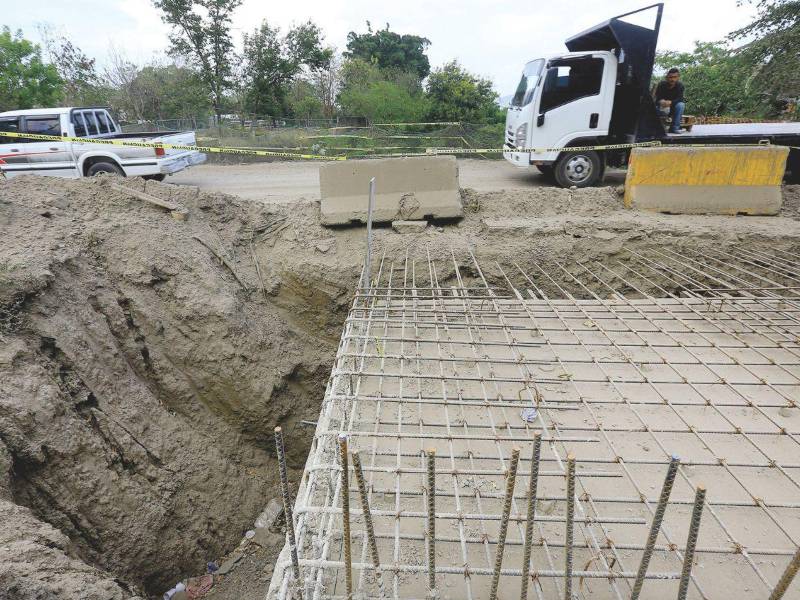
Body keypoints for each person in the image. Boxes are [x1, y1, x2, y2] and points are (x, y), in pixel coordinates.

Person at [654, 67, 686, 134]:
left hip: (673, 108)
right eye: (670, 77)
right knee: (650, 107)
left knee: (681, 105)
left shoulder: (680, 86)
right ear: (667, 77)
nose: (672, 79)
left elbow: (680, 98)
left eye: (675, 77)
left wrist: (671, 102)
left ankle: (675, 128)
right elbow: (657, 99)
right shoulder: (661, 85)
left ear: (678, 77)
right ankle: (653, 128)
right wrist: (661, 101)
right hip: (661, 108)